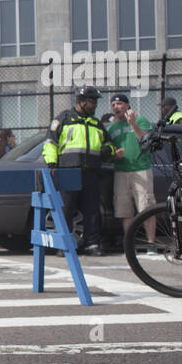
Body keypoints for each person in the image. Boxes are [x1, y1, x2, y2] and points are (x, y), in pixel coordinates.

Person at [43, 87, 114, 256]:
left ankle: (92, 244)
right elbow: (50, 143)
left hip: (91, 172)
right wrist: (52, 165)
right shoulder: (63, 119)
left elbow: (110, 145)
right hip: (69, 170)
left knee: (92, 210)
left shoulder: (97, 123)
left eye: (95, 101)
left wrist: (107, 150)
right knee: (66, 209)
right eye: (92, 101)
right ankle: (65, 245)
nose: (95, 104)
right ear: (81, 101)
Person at [107, 94, 156, 251]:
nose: (116, 107)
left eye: (119, 104)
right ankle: (130, 245)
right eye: (113, 104)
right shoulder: (112, 128)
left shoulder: (140, 120)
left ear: (127, 105)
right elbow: (109, 153)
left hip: (141, 169)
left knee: (146, 207)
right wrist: (115, 155)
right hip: (121, 171)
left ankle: (151, 243)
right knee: (125, 210)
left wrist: (133, 123)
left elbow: (146, 140)